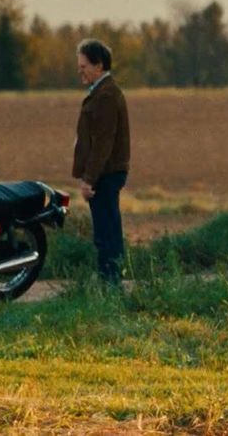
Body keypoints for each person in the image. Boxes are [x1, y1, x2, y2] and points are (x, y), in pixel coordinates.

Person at [73, 39, 130, 285]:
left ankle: (111, 286)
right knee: (108, 231)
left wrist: (89, 180)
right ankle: (111, 283)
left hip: (105, 174)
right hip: (106, 173)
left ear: (99, 65)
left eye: (84, 65)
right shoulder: (104, 91)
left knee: (106, 234)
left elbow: (103, 143)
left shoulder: (105, 95)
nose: (80, 70)